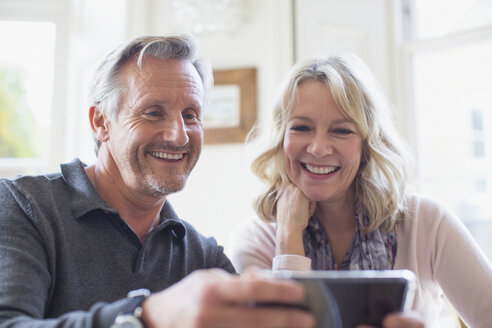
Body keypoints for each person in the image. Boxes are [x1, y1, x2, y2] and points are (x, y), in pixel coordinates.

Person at [0, 35, 316, 328]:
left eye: (190, 115)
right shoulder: (23, 205)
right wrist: (145, 316)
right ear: (101, 122)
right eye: (153, 112)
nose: (178, 135)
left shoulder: (203, 256)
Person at [228, 54, 492, 328]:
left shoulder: (425, 221)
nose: (318, 148)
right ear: (282, 137)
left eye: (341, 131)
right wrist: (288, 239)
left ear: (367, 144)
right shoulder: (253, 242)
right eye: (301, 127)